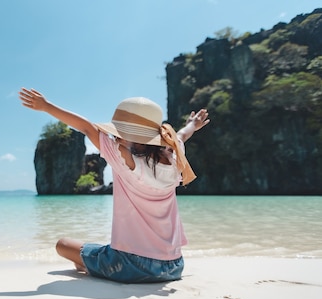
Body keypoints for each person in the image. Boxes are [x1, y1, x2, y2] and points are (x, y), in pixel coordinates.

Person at [19, 87, 210, 283]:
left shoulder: (124, 159)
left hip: (130, 265)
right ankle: (91, 263)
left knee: (63, 245)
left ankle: (91, 264)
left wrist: (46, 106)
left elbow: (86, 127)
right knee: (95, 252)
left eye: (119, 132)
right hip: (173, 266)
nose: (116, 137)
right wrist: (193, 125)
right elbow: (181, 135)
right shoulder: (174, 156)